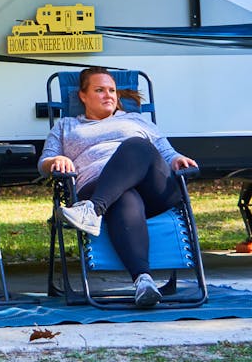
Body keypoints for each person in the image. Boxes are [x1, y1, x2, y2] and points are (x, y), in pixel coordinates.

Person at [38, 66, 198, 307]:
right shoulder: (65, 126)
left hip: (152, 191)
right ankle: (144, 282)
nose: (108, 95)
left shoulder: (135, 120)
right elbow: (44, 163)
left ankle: (92, 211)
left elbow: (165, 150)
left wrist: (176, 159)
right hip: (98, 187)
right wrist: (56, 160)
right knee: (125, 197)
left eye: (112, 90)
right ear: (82, 96)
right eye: (99, 90)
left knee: (137, 145)